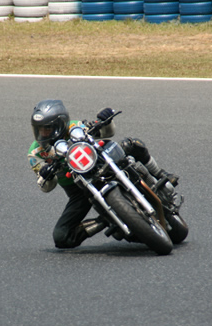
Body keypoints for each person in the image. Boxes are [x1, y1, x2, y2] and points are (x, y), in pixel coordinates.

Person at [27, 99, 177, 249]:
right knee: (61, 236)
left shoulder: (75, 127)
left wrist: (105, 121)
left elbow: (108, 132)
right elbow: (46, 187)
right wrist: (46, 175)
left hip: (101, 163)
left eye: (47, 128)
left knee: (132, 144)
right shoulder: (35, 153)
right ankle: (106, 219)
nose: (42, 133)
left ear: (60, 124)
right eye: (39, 129)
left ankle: (160, 174)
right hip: (78, 189)